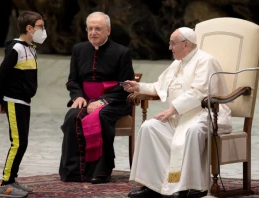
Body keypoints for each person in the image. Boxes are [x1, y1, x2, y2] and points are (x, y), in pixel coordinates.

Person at [122, 27, 232, 197]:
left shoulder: (206, 61)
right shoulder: (178, 63)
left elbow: (200, 92)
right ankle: (153, 185)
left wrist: (173, 109)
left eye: (172, 43)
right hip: (180, 117)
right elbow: (161, 86)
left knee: (192, 131)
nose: (169, 47)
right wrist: (139, 86)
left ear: (186, 44)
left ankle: (193, 187)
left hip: (205, 114)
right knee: (150, 127)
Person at [59, 11, 135, 184]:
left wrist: (103, 101)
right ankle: (74, 171)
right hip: (85, 99)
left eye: (98, 29)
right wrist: (77, 96)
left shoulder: (122, 52)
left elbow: (125, 84)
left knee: (100, 116)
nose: (93, 32)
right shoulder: (78, 50)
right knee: (72, 116)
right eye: (90, 28)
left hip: (114, 100)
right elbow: (73, 79)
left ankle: (101, 171)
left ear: (108, 30)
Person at [0, 11, 47, 197]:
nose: (43, 30)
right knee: (17, 143)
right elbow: (1, 76)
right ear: (29, 28)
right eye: (40, 26)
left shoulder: (31, 48)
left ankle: (12, 179)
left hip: (24, 101)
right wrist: (0, 100)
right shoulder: (16, 49)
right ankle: (4, 184)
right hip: (14, 101)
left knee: (22, 142)